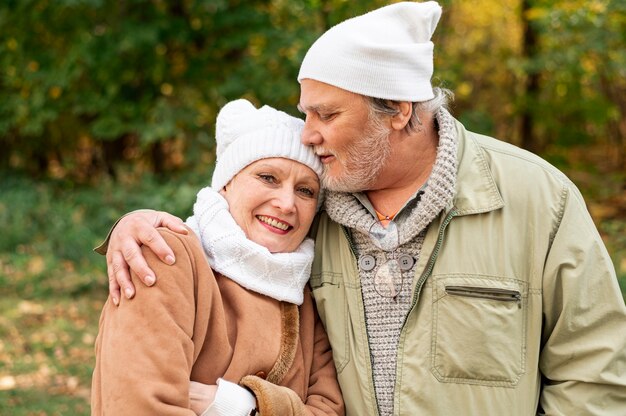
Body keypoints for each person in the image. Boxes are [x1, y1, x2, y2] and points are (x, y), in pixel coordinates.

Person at [100, 2, 626, 415]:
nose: (308, 135)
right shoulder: (312, 210)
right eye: (306, 113)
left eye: (326, 114)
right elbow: (229, 223)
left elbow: (595, 373)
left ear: (396, 110)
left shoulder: (538, 199)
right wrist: (135, 224)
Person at [90, 99, 344, 416]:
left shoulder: (305, 294)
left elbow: (329, 409)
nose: (287, 203)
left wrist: (240, 407)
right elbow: (140, 405)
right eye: (268, 177)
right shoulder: (165, 255)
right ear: (226, 182)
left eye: (306, 190)